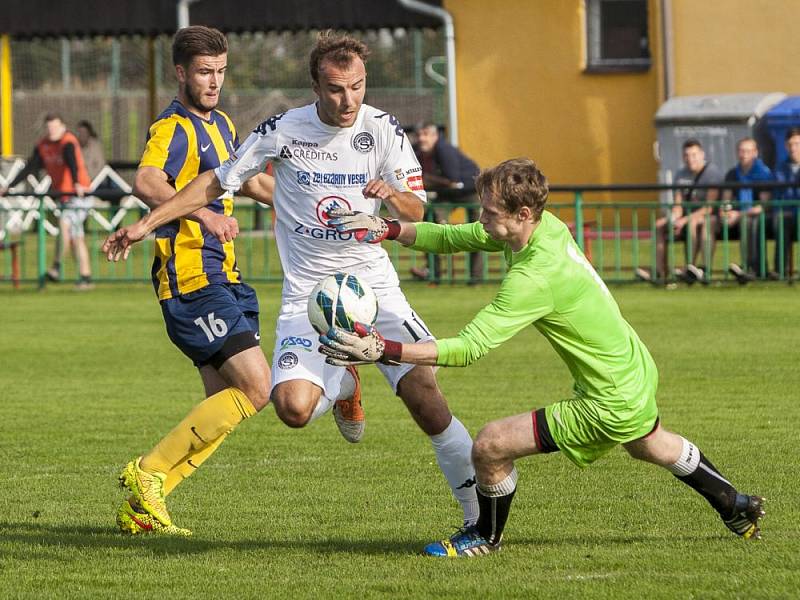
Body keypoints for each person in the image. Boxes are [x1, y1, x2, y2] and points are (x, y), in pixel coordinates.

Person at [104, 32, 479, 528]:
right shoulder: (281, 129)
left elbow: (416, 207)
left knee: (425, 397)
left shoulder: (384, 129)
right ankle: (344, 383)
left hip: (374, 287)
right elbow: (217, 181)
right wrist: (146, 224)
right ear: (315, 87)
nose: (349, 100)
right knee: (290, 407)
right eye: (336, 89)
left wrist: (389, 193)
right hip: (307, 294)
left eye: (358, 87)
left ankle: (481, 519)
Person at [319, 157, 765, 557]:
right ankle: (735, 504)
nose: (482, 219)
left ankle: (484, 536)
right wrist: (387, 229)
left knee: (491, 445)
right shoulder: (547, 228)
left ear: (522, 214)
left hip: (608, 397)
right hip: (633, 368)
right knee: (650, 443)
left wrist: (384, 349)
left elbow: (470, 347)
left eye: (490, 213)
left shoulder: (534, 277)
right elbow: (457, 236)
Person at [102, 26, 275, 536]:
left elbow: (252, 180)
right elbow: (147, 180)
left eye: (221, 71)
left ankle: (144, 507)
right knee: (257, 388)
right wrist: (204, 218)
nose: (214, 81)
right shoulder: (173, 127)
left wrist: (311, 205)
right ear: (180, 72)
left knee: (225, 401)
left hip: (225, 275)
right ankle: (148, 471)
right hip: (191, 277)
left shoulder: (221, 123)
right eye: (204, 72)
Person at [0, 113, 94, 289]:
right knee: (76, 238)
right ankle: (85, 276)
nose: (52, 130)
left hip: (79, 193)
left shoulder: (67, 141)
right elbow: (30, 167)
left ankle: (56, 267)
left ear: (63, 126)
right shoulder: (43, 145)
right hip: (65, 195)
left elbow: (72, 162)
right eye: (49, 127)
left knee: (65, 225)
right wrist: (9, 186)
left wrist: (76, 184)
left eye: (55, 126)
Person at [637, 139, 722, 285]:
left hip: (706, 217)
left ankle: (691, 268)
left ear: (702, 154)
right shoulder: (681, 174)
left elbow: (709, 207)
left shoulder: (712, 173)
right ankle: (660, 272)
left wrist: (684, 220)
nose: (690, 159)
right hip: (686, 218)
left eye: (694, 155)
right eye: (687, 155)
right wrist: (674, 218)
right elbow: (678, 204)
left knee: (694, 223)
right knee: (659, 225)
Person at [410, 122, 482, 284]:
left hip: (469, 190)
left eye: (426, 134)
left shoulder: (444, 150)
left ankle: (476, 277)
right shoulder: (416, 151)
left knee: (477, 232)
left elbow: (453, 179)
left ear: (435, 136)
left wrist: (426, 179)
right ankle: (433, 273)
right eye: (419, 135)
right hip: (446, 193)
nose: (422, 139)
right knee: (430, 227)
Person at [717, 138, 773, 284]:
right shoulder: (732, 174)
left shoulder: (763, 173)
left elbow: (764, 205)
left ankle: (754, 268)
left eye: (748, 151)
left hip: (759, 217)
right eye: (741, 151)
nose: (744, 154)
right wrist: (724, 213)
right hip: (737, 216)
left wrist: (739, 214)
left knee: (749, 222)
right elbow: (726, 200)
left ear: (755, 153)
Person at [770, 128, 800, 279]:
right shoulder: (780, 167)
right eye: (790, 144)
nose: (793, 148)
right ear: (786, 146)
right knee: (781, 222)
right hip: (787, 214)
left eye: (797, 144)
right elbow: (778, 195)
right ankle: (780, 271)